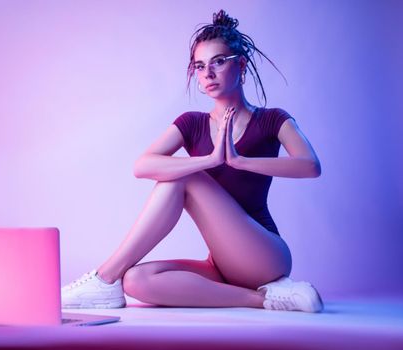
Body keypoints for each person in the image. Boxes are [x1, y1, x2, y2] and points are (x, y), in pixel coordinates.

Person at [61, 9, 323, 312]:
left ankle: (104, 278)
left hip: (265, 255)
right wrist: (210, 160)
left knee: (183, 176)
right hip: (222, 264)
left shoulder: (270, 119)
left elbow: (310, 165)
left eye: (218, 62)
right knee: (136, 280)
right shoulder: (192, 123)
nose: (208, 73)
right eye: (200, 66)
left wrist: (239, 161)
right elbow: (142, 166)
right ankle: (265, 298)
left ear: (241, 64)